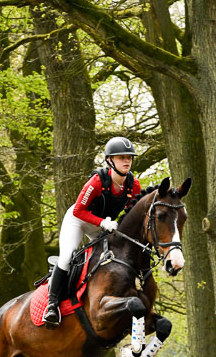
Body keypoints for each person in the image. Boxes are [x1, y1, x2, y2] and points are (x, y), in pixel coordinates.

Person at [43, 137, 142, 326]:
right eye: (121, 157)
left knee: (113, 257)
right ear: (109, 161)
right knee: (66, 257)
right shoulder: (96, 181)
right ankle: (52, 305)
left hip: (102, 226)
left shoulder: (133, 185)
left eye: (129, 157)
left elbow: (130, 213)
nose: (127, 161)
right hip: (78, 221)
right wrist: (103, 222)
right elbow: (78, 211)